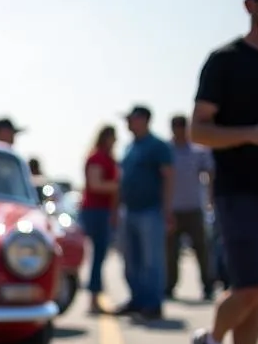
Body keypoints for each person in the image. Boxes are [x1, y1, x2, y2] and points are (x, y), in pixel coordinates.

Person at [190, 0, 258, 344]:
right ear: (249, 5)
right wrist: (252, 135)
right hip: (238, 193)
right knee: (252, 286)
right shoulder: (225, 61)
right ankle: (210, 341)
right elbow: (200, 129)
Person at [116, 105, 174, 320]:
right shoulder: (130, 147)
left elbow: (169, 177)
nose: (128, 123)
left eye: (132, 119)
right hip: (129, 211)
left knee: (152, 262)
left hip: (150, 211)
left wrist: (167, 209)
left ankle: (153, 304)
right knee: (131, 261)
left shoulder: (158, 146)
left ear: (144, 120)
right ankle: (137, 300)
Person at [165, 114, 215, 301]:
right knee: (170, 252)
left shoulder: (198, 151)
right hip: (173, 209)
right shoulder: (166, 151)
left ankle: (208, 284)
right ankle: (169, 285)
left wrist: (211, 197)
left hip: (194, 207)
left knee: (201, 249)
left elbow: (210, 173)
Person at [79, 125, 119, 313]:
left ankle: (96, 294)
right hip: (95, 211)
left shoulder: (108, 157)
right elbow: (95, 184)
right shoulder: (96, 157)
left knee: (100, 255)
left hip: (103, 211)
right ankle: (94, 297)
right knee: (98, 255)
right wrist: (119, 186)